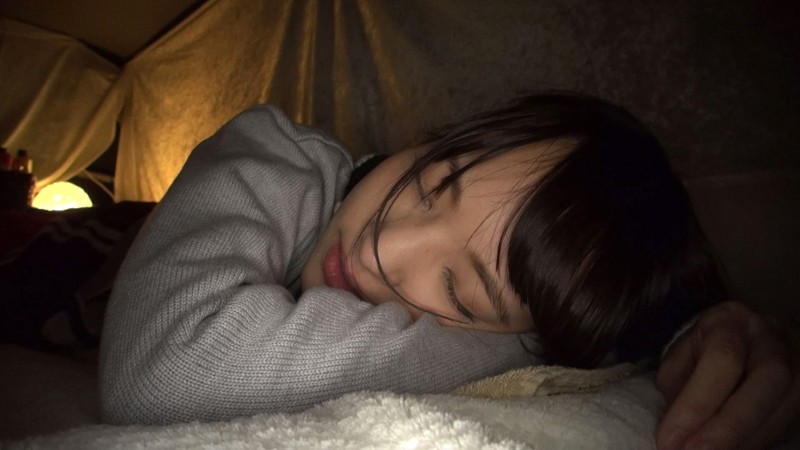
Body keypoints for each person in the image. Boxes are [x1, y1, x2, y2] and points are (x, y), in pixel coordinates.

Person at [100, 93, 799, 449]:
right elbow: (166, 375)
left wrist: (685, 331)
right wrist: (503, 341)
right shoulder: (276, 150)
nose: (382, 247)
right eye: (430, 185)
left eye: (457, 290)